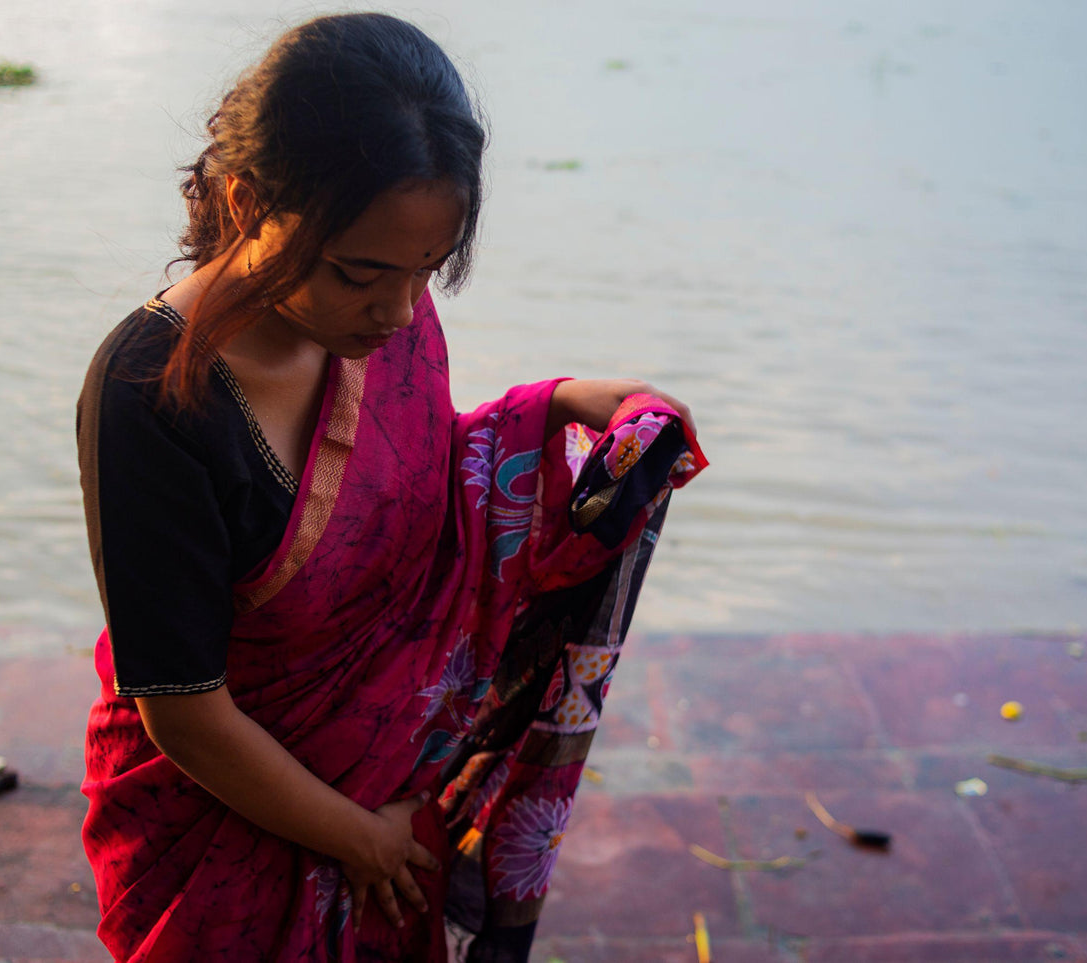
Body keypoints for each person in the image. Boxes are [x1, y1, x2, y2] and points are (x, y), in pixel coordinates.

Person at [76, 13, 705, 962]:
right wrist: (356, 835)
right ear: (247, 201)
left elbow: (426, 480)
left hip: (390, 790)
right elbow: (182, 706)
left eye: (427, 271)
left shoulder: (382, 321)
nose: (402, 309)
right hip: (221, 817)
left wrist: (557, 408)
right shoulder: (154, 393)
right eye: (360, 272)